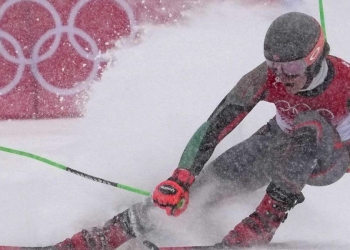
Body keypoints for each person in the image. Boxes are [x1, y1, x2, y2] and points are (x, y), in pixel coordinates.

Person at [49, 11, 350, 249]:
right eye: (274, 65)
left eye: (293, 69)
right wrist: (182, 176)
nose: (283, 76)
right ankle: (110, 234)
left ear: (314, 57)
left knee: (309, 126)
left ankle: (262, 225)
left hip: (330, 159)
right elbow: (215, 125)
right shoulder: (264, 77)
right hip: (278, 141)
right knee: (205, 189)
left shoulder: (345, 83)